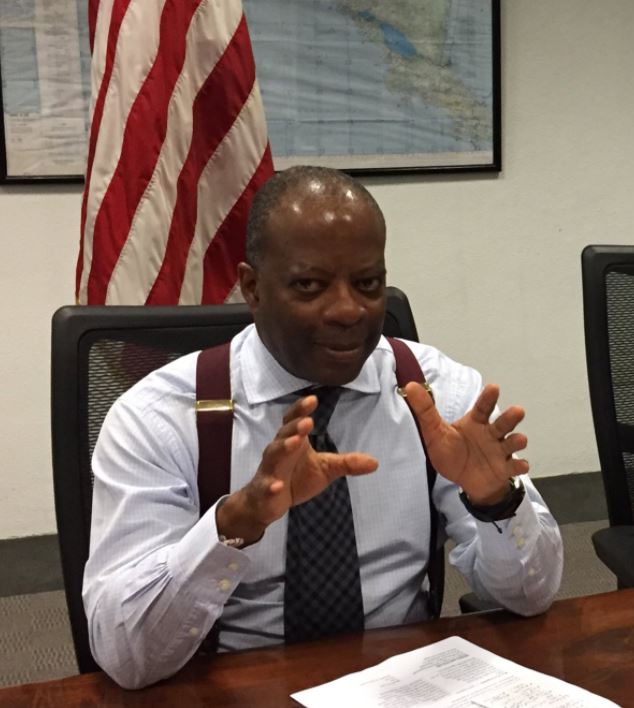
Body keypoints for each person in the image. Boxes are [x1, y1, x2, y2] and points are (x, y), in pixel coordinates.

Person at [83, 167, 563, 689]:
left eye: (368, 284)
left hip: (402, 685)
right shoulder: (160, 417)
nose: (346, 310)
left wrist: (495, 501)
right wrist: (232, 526)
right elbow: (127, 657)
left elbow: (530, 597)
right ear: (252, 287)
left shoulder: (437, 393)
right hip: (233, 687)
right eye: (309, 286)